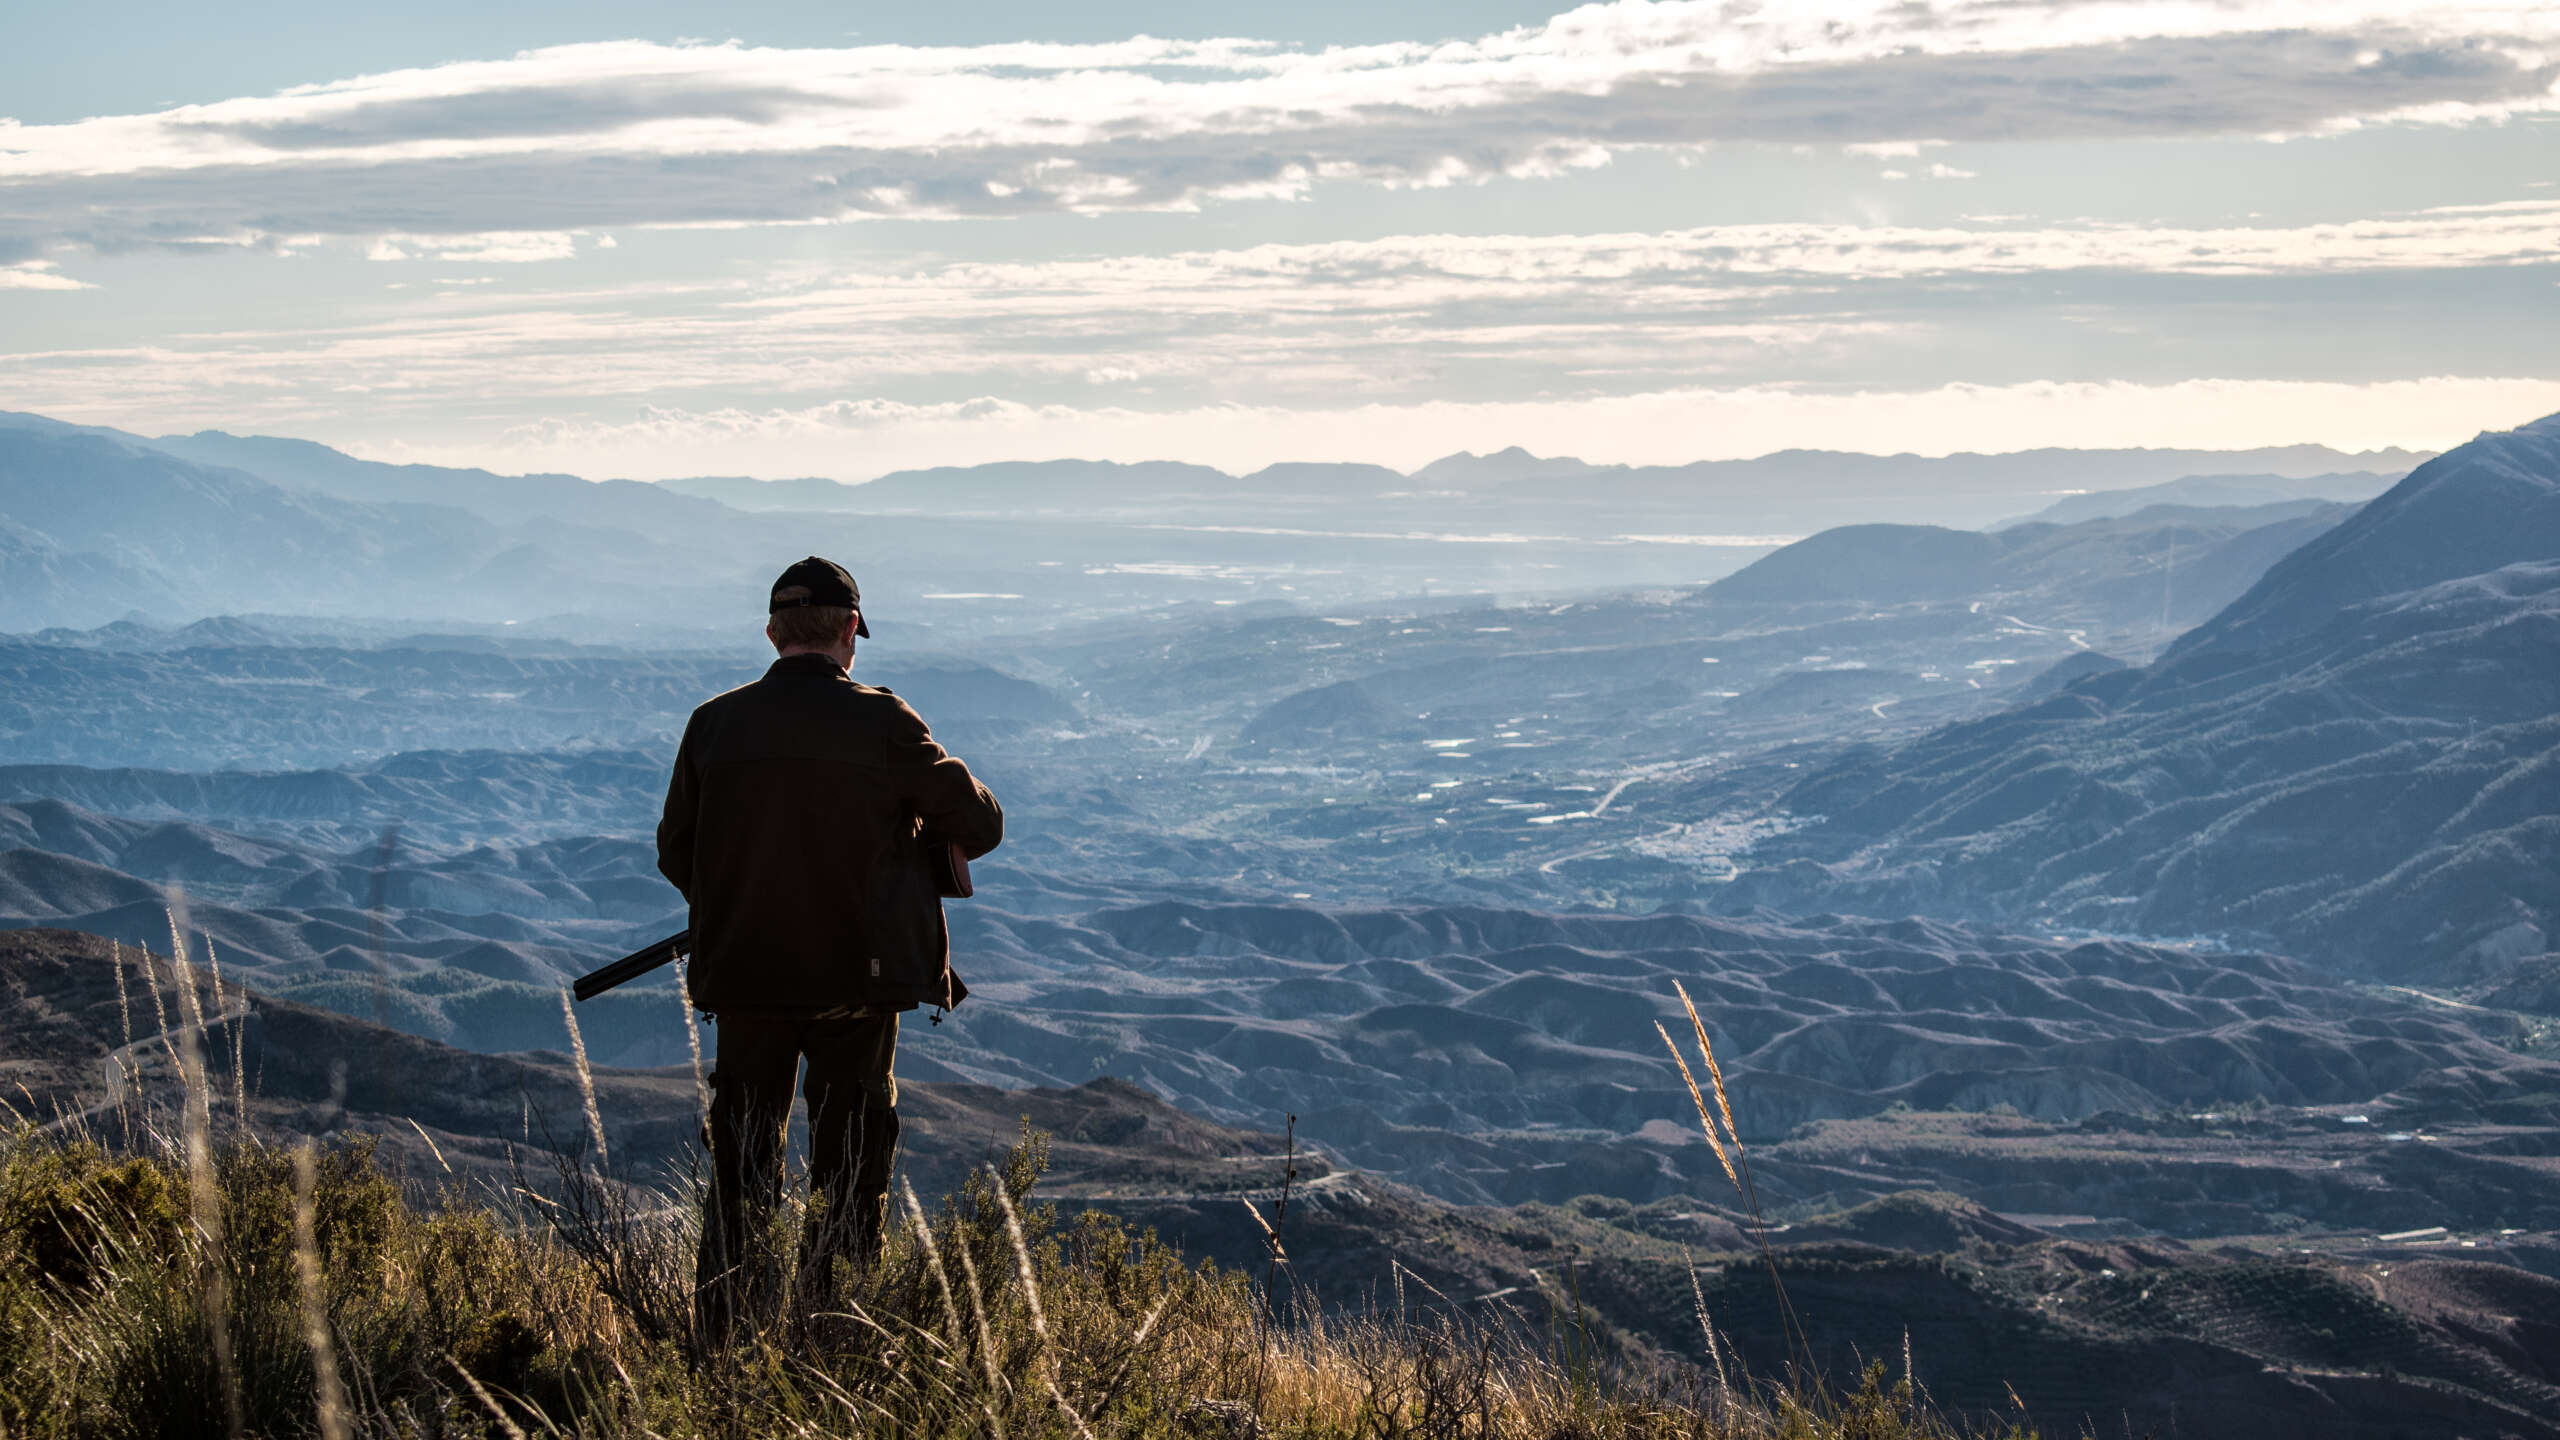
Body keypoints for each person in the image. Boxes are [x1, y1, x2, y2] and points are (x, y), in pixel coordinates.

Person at [656, 556, 1004, 1342]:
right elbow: (981, 826)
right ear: (850, 630)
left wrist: (746, 909)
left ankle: (725, 1342)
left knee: (741, 1175)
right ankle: (836, 1342)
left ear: (774, 631)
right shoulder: (884, 721)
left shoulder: (715, 723)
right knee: (850, 1171)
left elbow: (676, 851)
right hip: (859, 984)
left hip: (744, 980)